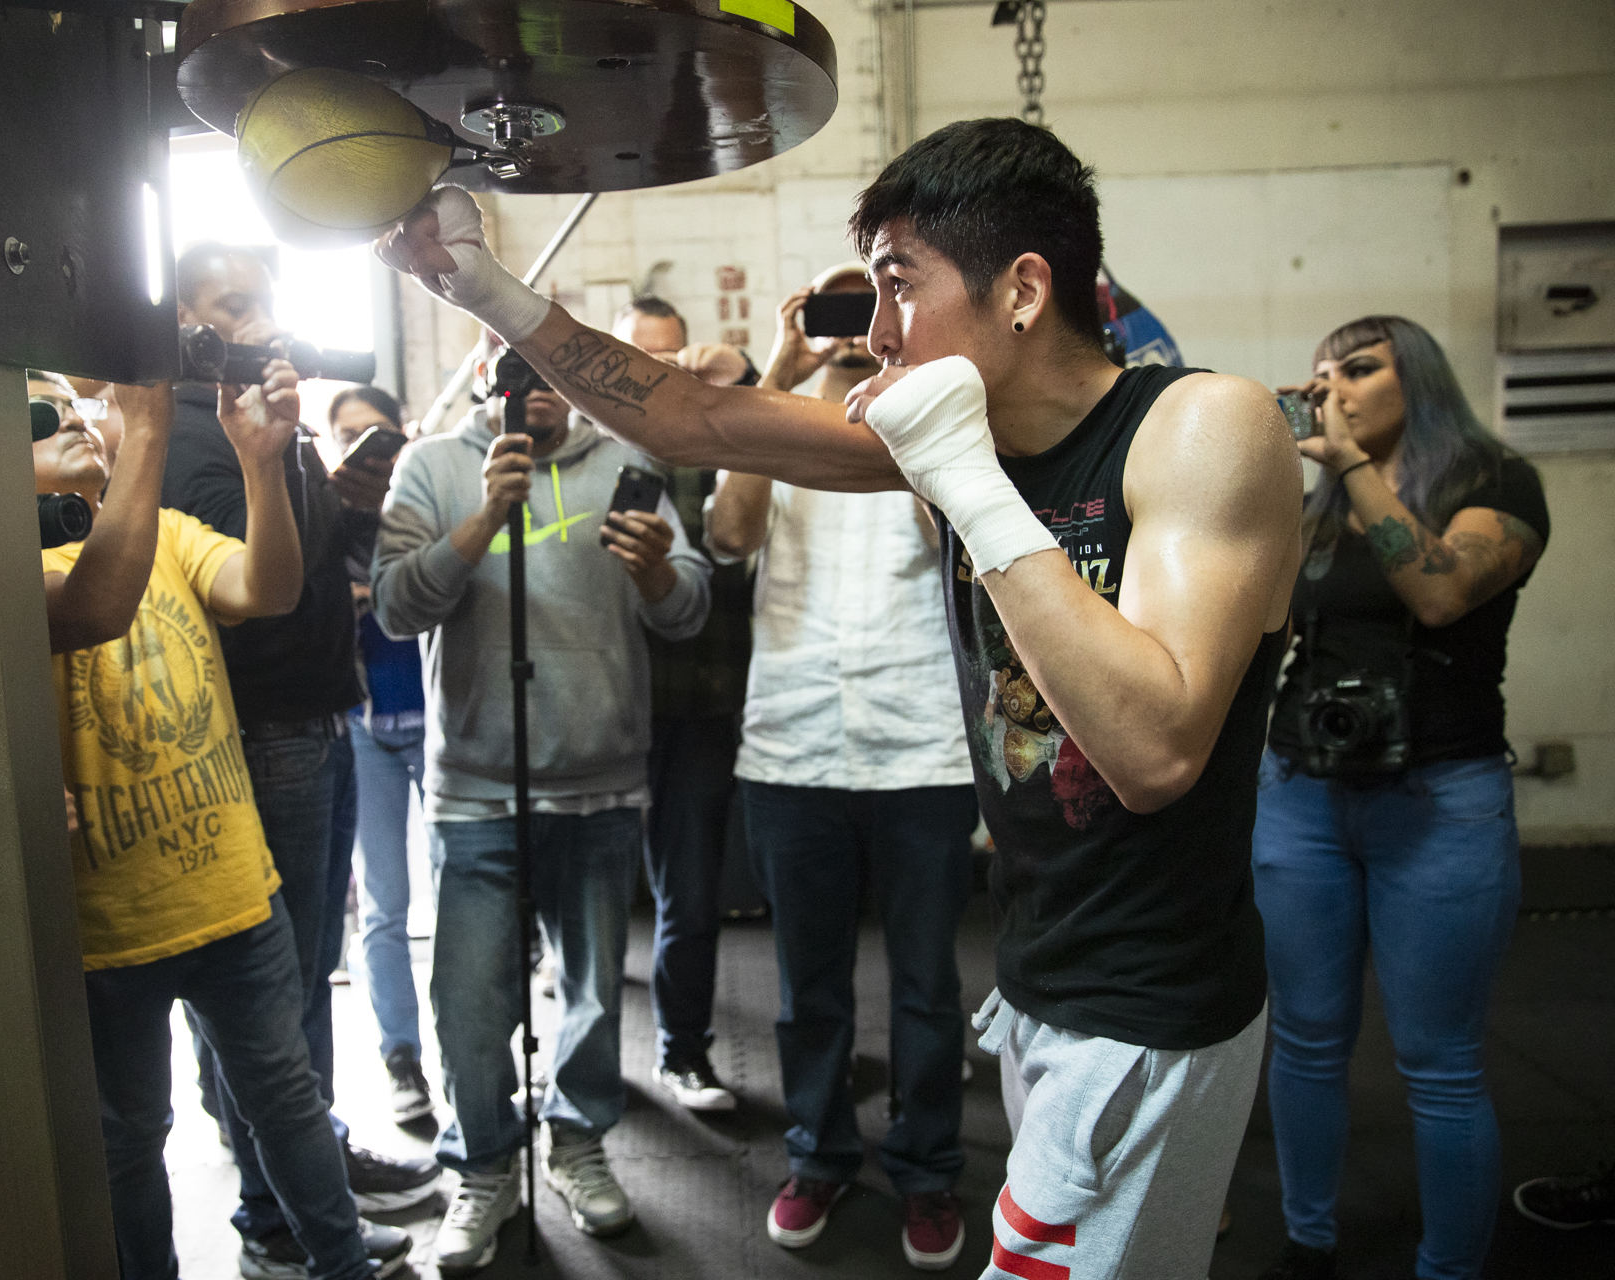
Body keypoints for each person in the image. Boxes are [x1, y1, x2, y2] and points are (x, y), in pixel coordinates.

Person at [376, 115, 1303, 1279]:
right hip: (1039, 971)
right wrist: (480, 286)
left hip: (1153, 1002)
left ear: (1023, 290)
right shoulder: (966, 442)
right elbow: (692, 417)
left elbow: (1156, 751)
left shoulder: (1203, 425)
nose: (875, 334)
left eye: (900, 285)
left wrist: (962, 477)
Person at [34, 367, 400, 1280]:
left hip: (232, 887)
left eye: (78, 406)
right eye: (41, 416)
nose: (74, 419)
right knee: (130, 1135)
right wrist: (149, 431)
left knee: (288, 1099)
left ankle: (340, 1266)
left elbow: (267, 589)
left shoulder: (165, 533)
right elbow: (88, 608)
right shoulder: (4, 570)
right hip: (109, 922)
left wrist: (262, 465)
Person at [371, 358, 711, 1273]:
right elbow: (396, 608)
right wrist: (483, 518)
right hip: (477, 787)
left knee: (595, 992)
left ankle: (576, 1141)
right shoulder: (432, 466)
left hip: (601, 779)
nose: (541, 386)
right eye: (520, 369)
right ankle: (485, 1165)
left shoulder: (627, 463)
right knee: (468, 1000)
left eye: (556, 368)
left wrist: (654, 574)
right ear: (491, 377)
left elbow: (688, 611)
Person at [1250, 316, 1549, 1280]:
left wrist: (1349, 467)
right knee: (1304, 1042)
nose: (1332, 389)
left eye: (1359, 369)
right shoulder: (1319, 504)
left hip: (1439, 796)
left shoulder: (1495, 482)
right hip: (1301, 792)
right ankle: (1307, 1240)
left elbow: (1441, 593)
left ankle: (1447, 1269)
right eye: (1319, 375)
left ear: (1416, 380)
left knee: (1440, 1062)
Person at [160, 243, 439, 1273]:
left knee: (301, 978)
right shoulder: (190, 439)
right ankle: (278, 1218)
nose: (263, 323)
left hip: (312, 720)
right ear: (181, 325)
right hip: (264, 729)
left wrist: (320, 472)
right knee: (267, 997)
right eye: (234, 305)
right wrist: (300, 468)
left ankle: (311, 1165)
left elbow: (310, 551)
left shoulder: (251, 428)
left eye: (268, 302)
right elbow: (264, 585)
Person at [703, 266, 979, 1268]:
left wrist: (907, 395)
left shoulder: (939, 417)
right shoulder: (774, 421)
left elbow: (959, 542)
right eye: (837, 309)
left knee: (927, 983)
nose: (856, 328)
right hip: (796, 740)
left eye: (875, 308)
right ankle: (817, 1154)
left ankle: (927, 1168)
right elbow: (729, 535)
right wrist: (780, 372)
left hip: (922, 742)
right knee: (806, 982)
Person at [609, 295, 756, 1114]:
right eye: (640, 355)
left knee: (691, 895)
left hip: (697, 702)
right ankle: (584, 1060)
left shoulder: (716, 448)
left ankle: (683, 1052)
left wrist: (748, 378)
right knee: (589, 895)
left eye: (671, 355)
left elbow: (737, 564)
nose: (656, 370)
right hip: (601, 706)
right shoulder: (587, 456)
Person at [329, 384, 434, 1124]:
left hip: (443, 720)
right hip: (363, 723)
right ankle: (401, 1057)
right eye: (348, 436)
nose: (364, 448)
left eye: (377, 434)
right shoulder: (319, 517)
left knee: (465, 891)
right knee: (383, 903)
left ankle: (476, 1058)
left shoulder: (426, 504)